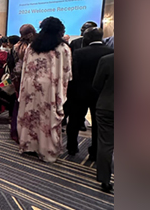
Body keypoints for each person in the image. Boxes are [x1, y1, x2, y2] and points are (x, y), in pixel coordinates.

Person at [17, 17, 72, 162]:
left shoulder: (32, 46)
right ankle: (46, 149)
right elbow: (67, 72)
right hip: (50, 87)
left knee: (30, 114)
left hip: (30, 85)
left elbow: (25, 68)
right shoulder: (63, 48)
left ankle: (28, 145)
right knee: (47, 117)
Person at [66, 28, 113, 159]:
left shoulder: (79, 53)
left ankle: (71, 147)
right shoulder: (111, 52)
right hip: (100, 94)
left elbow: (74, 74)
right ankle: (95, 151)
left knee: (74, 121)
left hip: (79, 93)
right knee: (98, 125)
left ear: (87, 38)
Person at [9, 24, 36, 141]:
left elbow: (11, 63)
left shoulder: (16, 46)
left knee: (18, 102)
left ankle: (16, 129)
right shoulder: (34, 47)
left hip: (17, 77)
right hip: (30, 78)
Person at [93, 53, 114, 192]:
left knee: (105, 144)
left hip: (107, 106)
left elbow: (96, 84)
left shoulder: (106, 60)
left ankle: (105, 180)